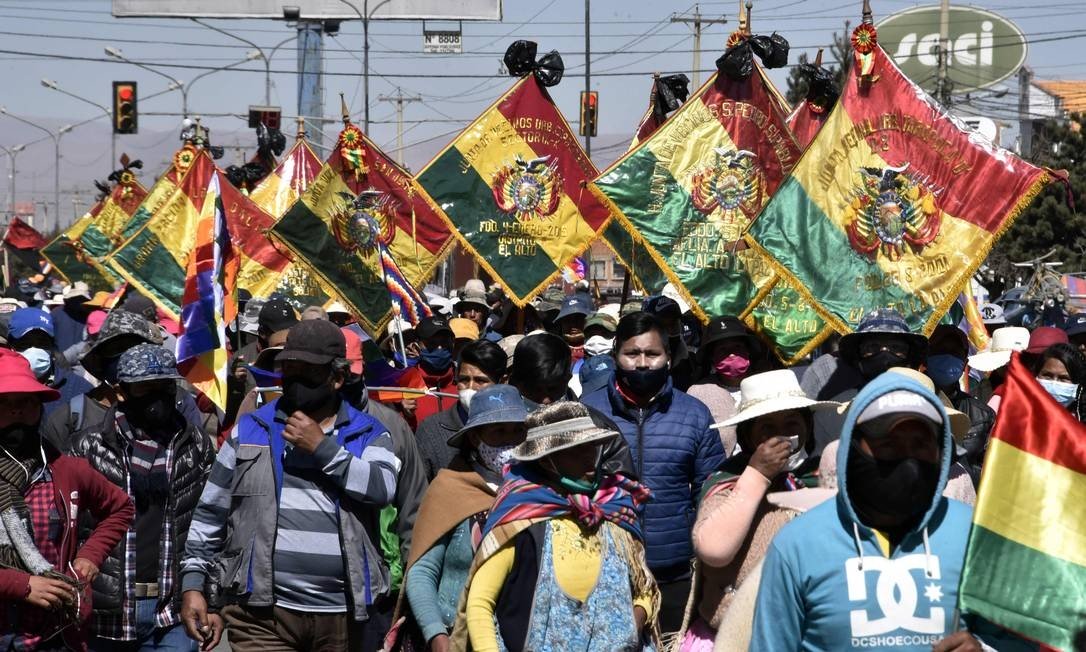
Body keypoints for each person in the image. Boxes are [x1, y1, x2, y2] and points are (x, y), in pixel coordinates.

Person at [750, 371, 1026, 650]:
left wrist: (984, 649)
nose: (906, 457)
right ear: (854, 447)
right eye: (888, 444)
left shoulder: (977, 538)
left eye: (920, 444)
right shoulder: (798, 544)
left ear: (941, 453)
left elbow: (1018, 642)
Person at [179, 320, 402, 651]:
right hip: (261, 616)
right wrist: (194, 584)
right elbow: (211, 514)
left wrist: (323, 449)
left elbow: (382, 488)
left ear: (337, 378)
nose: (295, 381)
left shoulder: (368, 433)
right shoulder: (251, 430)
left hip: (344, 618)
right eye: (289, 370)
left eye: (308, 372)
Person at [456, 401, 659, 651]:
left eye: (592, 447)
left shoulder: (614, 507)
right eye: (577, 450)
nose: (590, 458)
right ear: (546, 460)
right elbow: (480, 603)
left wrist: (633, 622)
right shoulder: (521, 518)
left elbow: (643, 585)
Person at [580, 312, 724, 634]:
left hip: (674, 573)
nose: (643, 363)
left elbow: (712, 492)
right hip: (603, 568)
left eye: (652, 353)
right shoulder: (589, 412)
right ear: (615, 354)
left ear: (668, 356)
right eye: (632, 353)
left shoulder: (694, 414)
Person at [66, 344, 214, 651]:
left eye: (165, 387)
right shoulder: (89, 447)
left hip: (174, 612)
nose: (157, 397)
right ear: (122, 392)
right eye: (146, 388)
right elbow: (68, 527)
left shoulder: (195, 444)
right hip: (106, 614)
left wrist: (209, 597)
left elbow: (212, 523)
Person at [682, 370, 837, 650]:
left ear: (808, 426)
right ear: (747, 435)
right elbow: (714, 549)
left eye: (792, 422)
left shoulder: (820, 478)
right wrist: (758, 474)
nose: (781, 434)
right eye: (767, 426)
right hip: (734, 635)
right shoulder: (728, 480)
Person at [0, 348, 134, 651]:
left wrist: (89, 556)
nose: (16, 412)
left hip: (54, 636)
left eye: (26, 402)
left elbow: (120, 507)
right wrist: (22, 585)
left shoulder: (65, 469)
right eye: (4, 403)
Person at [403, 384, 527, 652]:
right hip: (458, 636)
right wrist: (436, 634)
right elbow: (422, 571)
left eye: (518, 431)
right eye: (499, 432)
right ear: (474, 437)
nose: (510, 441)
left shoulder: (538, 492)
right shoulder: (450, 489)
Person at [41, 310, 163, 451]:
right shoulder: (68, 419)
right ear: (99, 360)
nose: (130, 357)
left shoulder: (169, 406)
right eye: (117, 349)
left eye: (138, 348)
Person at [810, 309, 928, 453]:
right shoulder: (831, 413)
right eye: (873, 347)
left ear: (909, 357)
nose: (884, 355)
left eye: (896, 347)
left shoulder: (930, 407)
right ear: (857, 357)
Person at [415, 340, 506, 480]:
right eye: (464, 380)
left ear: (502, 382)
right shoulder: (430, 431)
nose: (471, 388)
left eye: (480, 381)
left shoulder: (516, 428)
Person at [923, 325, 995, 485]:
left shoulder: (983, 415)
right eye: (941, 350)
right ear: (926, 357)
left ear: (964, 363)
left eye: (954, 352)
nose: (947, 357)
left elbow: (988, 468)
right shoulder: (910, 402)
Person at [686, 316, 764, 456]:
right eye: (723, 349)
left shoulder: (766, 385)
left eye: (737, 347)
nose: (732, 354)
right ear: (712, 356)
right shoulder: (698, 393)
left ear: (748, 350)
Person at [8, 308, 95, 416]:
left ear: (52, 345)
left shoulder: (79, 389)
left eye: (42, 342)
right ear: (11, 345)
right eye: (24, 343)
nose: (34, 349)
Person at [397, 316, 458, 429]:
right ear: (416, 347)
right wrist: (405, 416)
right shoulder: (403, 386)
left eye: (445, 342)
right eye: (432, 343)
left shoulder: (465, 382)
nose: (439, 347)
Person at [1033, 342, 1085, 420]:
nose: (1054, 384)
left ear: (1077, 385)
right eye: (1047, 375)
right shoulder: (1021, 417)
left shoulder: (1079, 424)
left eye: (1064, 378)